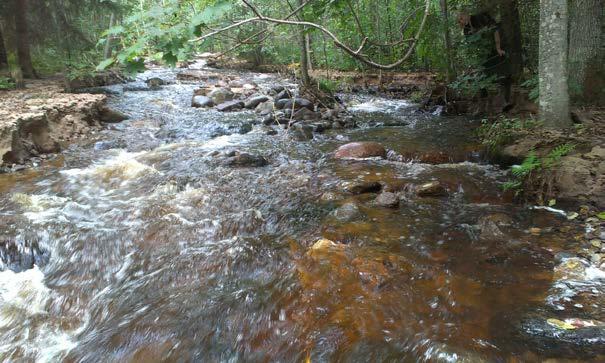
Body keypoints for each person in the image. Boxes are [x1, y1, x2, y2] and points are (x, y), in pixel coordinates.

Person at [457, 10, 513, 111]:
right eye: (459, 20)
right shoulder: (466, 29)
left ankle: (506, 102)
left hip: (497, 49)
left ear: (466, 15)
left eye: (461, 18)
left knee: (504, 75)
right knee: (483, 78)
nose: (460, 21)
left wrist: (498, 47)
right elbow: (471, 47)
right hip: (484, 55)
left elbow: (495, 30)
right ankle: (486, 106)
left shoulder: (479, 18)